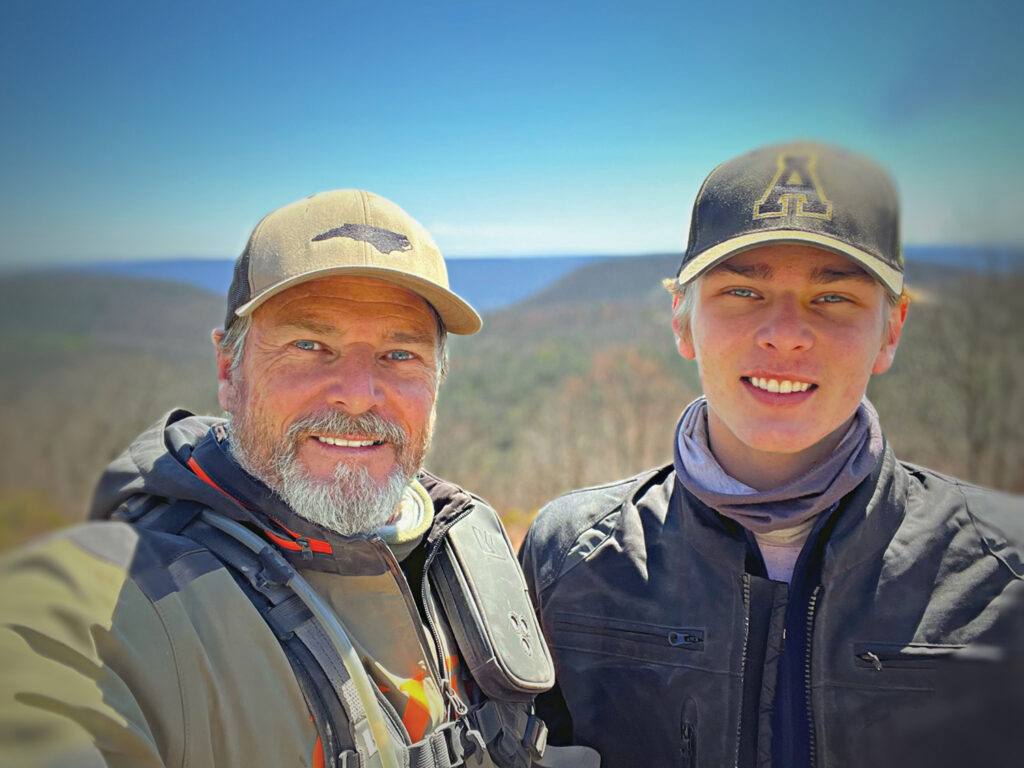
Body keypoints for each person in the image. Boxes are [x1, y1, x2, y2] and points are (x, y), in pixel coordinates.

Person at [0, 190, 559, 768]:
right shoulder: (106, 601)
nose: (359, 394)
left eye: (399, 353)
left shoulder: (460, 550)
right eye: (310, 345)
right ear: (228, 369)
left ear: (438, 379)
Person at [519, 142, 1024, 768]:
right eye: (743, 292)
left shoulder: (1003, 569)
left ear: (891, 330)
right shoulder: (570, 557)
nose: (785, 333)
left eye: (833, 297)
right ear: (681, 317)